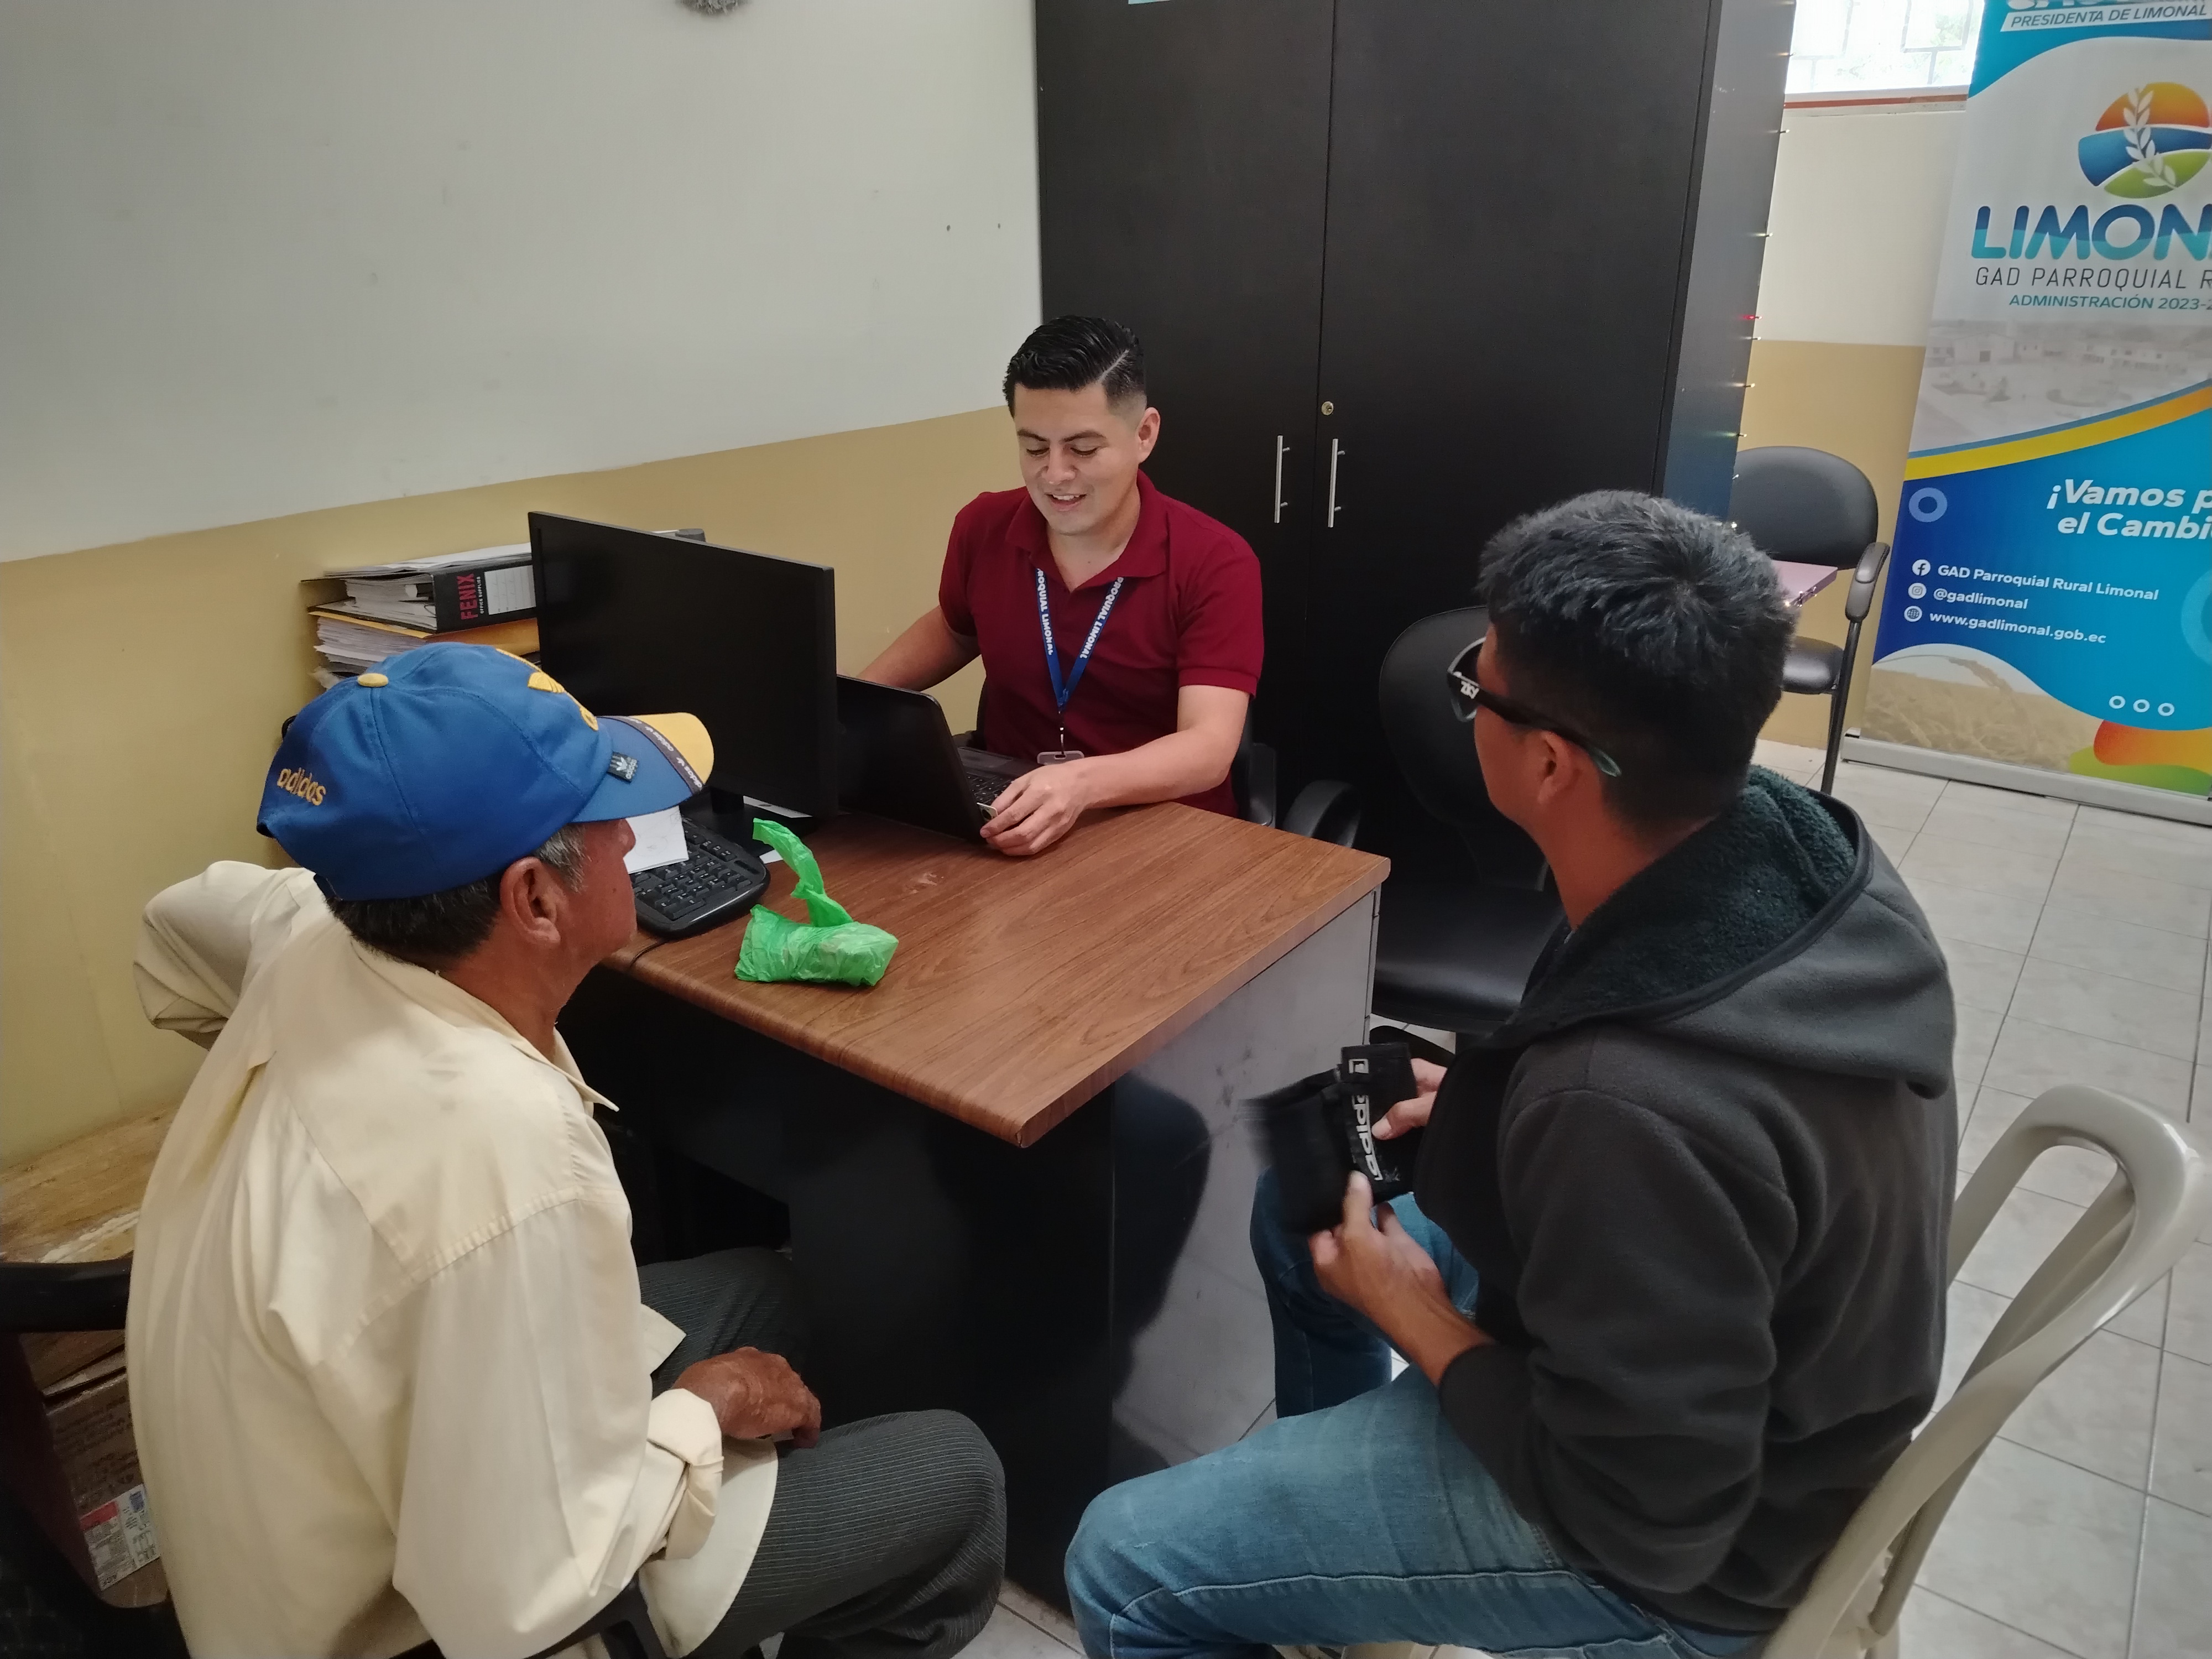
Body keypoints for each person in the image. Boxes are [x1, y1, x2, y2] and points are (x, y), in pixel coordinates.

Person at [1064, 492, 1957, 1658]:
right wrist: (1498, 1110)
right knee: (1309, 1216)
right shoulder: (1784, 841)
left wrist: (1416, 1315)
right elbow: (1648, 1119)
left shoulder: (1624, 1105)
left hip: (1685, 1566)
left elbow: (1643, 1516)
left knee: (1122, 1564)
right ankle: (1338, 1601)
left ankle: (1319, 1569)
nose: (1467, 698)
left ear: (1547, 763)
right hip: (1737, 1369)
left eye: (1473, 686)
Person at [127, 644, 1004, 1659]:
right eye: (608, 817)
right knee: (959, 1480)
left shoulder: (318, 927)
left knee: (770, 1291)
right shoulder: (506, 1151)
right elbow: (526, 1597)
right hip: (412, 1625)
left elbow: (169, 930)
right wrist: (698, 1412)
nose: (633, 837)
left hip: (301, 1502)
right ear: (535, 900)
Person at [863, 315, 1262, 855]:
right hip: (1012, 818)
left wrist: (1080, 784)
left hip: (1164, 833)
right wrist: (845, 704)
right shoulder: (984, 527)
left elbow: (1208, 747)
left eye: (1083, 449)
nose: (1054, 475)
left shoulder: (1215, 560)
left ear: (1143, 435)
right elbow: (956, 629)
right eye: (1034, 448)